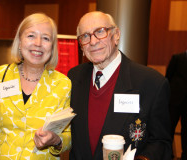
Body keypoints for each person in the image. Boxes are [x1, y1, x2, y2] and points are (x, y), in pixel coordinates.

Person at [0, 13, 72, 159]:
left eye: (45, 38)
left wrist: (56, 140)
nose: (38, 43)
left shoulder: (62, 84)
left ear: (52, 47)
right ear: (19, 42)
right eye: (31, 36)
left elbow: (68, 135)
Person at [67, 11, 172, 160]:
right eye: (85, 36)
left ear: (116, 35)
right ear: (81, 46)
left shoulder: (151, 83)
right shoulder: (73, 77)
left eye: (100, 31)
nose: (93, 41)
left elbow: (161, 142)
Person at [166, 52, 187, 159]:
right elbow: (168, 76)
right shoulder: (177, 57)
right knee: (169, 127)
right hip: (175, 99)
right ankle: (168, 153)